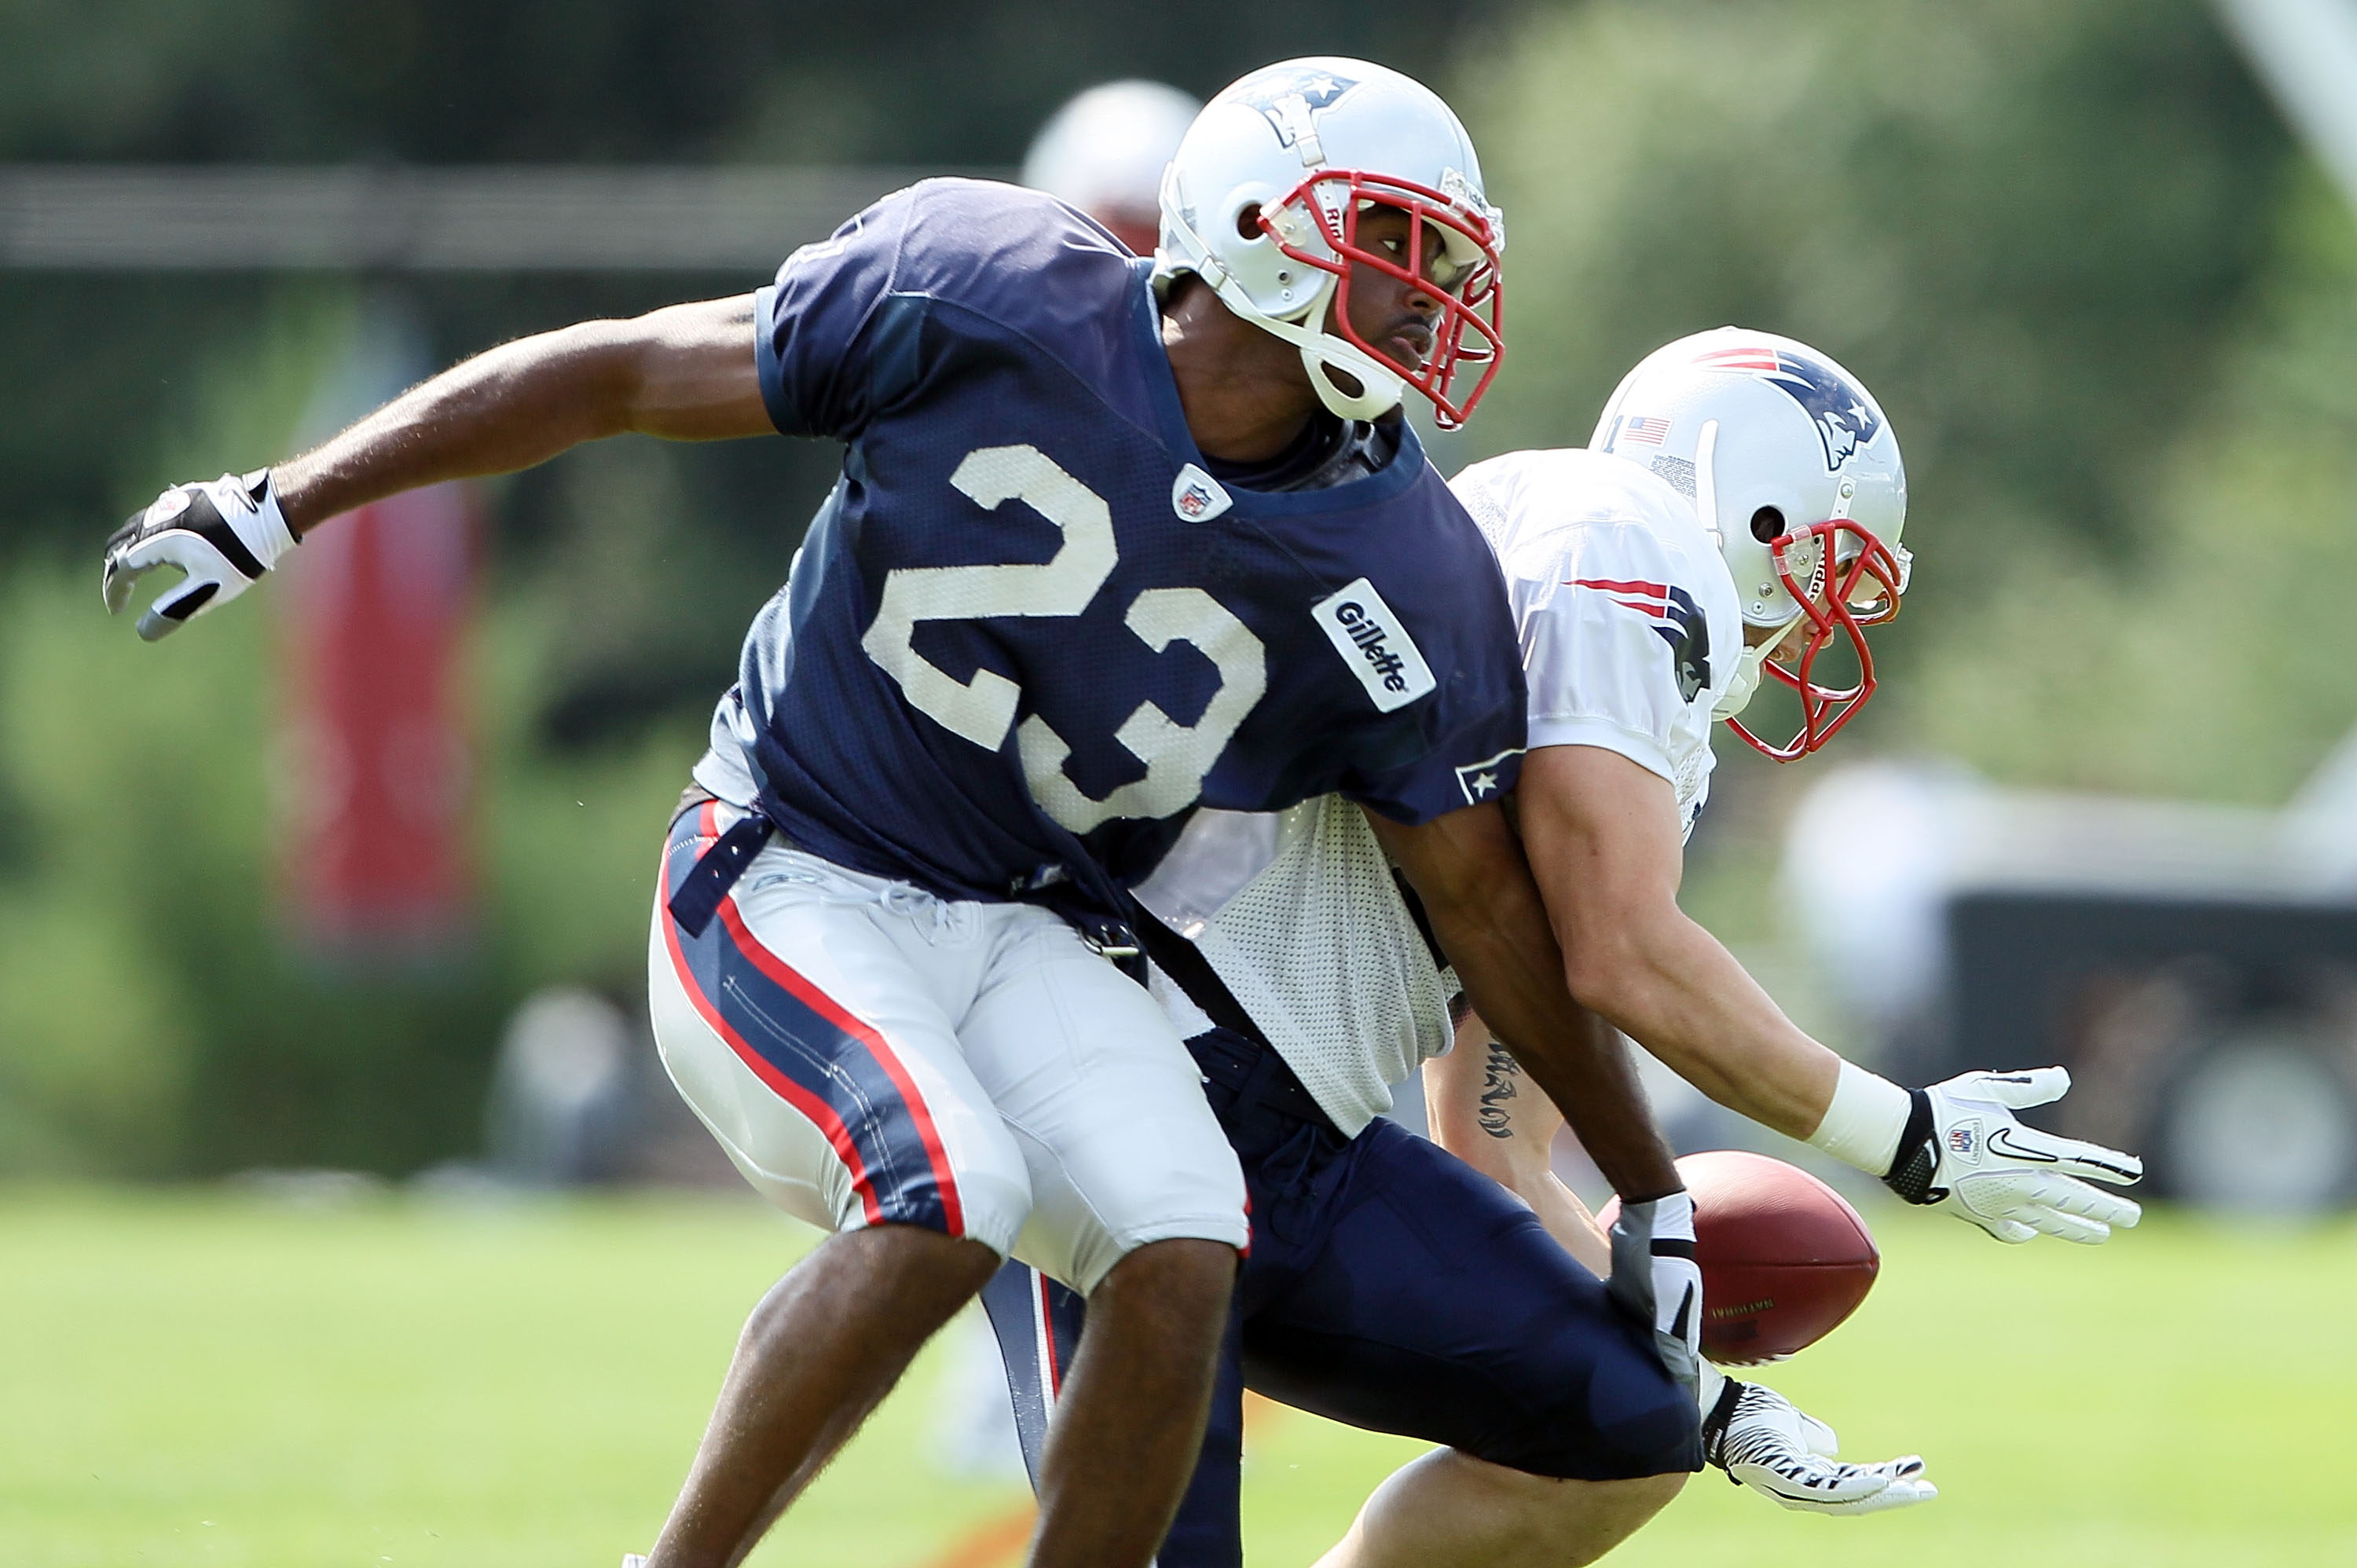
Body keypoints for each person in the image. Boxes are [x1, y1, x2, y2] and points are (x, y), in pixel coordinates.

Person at [100, 58, 1698, 1568]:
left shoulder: (1403, 558)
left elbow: (1488, 906)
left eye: (1443, 262)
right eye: (1394, 250)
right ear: (1257, 229)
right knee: (946, 1200)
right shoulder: (987, 289)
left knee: (1181, 1228)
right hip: (787, 863)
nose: (1427, 301)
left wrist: (1648, 1182)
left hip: (1034, 927)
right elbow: (626, 373)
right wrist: (283, 499)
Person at [981, 329, 2141, 1568]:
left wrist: (1708, 1396)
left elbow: (1496, 1147)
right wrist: (1905, 1136)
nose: (1815, 626)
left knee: (1624, 1429)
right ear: (1749, 507)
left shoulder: (1580, 608)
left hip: (1284, 1126)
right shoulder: (1619, 542)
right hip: (1130, 1068)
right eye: (1821, 569)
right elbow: (1624, 953)